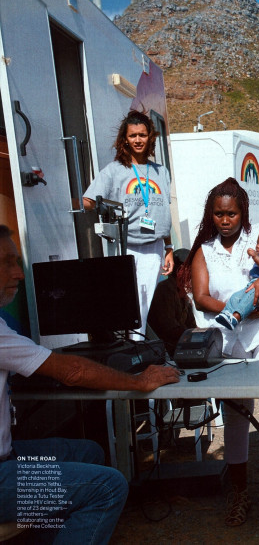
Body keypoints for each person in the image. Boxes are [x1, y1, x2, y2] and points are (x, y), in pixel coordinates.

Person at [0, 225, 180, 544]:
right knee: (107, 487)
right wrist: (137, 381)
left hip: (8, 456)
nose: (19, 273)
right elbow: (71, 372)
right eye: (8, 263)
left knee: (87, 452)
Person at [177, 178, 259, 526]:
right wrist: (240, 308)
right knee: (235, 418)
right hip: (228, 338)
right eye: (218, 214)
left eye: (231, 213)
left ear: (242, 213)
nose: (225, 220)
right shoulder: (204, 250)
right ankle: (240, 491)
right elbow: (201, 297)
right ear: (211, 215)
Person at [82, 110, 173, 337]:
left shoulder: (161, 171)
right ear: (125, 139)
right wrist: (104, 207)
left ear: (150, 137)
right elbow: (88, 201)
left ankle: (137, 343)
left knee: (144, 298)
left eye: (142, 135)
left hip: (154, 245)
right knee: (126, 297)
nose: (138, 140)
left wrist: (169, 248)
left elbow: (163, 211)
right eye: (133, 135)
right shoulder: (114, 170)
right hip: (125, 244)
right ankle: (128, 344)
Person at [147, 248, 196, 357]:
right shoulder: (165, 289)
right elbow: (170, 329)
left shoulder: (184, 295)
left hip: (179, 349)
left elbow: (191, 326)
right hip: (165, 352)